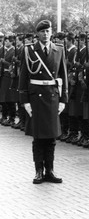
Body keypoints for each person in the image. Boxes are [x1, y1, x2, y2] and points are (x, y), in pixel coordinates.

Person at [18, 20, 68, 184]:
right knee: (38, 137)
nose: (46, 34)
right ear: (37, 34)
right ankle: (39, 171)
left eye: (48, 31)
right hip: (36, 98)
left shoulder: (59, 49)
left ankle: (50, 170)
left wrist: (63, 100)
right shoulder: (29, 50)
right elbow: (24, 77)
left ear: (51, 33)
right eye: (42, 32)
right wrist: (25, 101)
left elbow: (63, 76)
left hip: (52, 97)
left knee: (51, 137)